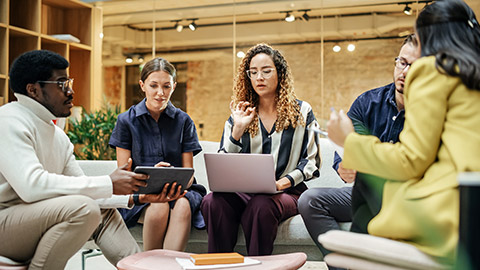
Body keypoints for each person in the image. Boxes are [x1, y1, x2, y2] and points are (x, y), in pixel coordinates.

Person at [327, 0, 480, 265]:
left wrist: (347, 141)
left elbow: (410, 161)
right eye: (401, 62)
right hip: (467, 194)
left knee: (367, 179)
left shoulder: (432, 71)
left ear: (426, 39)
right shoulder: (469, 74)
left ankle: (353, 259)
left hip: (456, 209)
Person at [0, 50, 157, 269]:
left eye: (69, 82)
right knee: (84, 208)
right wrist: (108, 183)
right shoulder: (9, 120)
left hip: (32, 220)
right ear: (33, 90)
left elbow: (85, 189)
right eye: (62, 84)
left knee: (99, 208)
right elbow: (31, 187)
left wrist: (136, 197)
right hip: (5, 223)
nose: (71, 91)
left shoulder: (57, 136)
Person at [298, 34, 420, 255]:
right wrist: (344, 168)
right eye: (402, 62)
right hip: (363, 192)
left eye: (415, 66)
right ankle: (343, 265)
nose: (405, 72)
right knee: (309, 200)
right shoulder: (367, 103)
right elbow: (344, 154)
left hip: (406, 198)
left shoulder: (429, 111)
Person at [200, 43, 321, 256]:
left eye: (266, 71)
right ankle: (219, 263)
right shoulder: (240, 114)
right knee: (212, 201)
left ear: (280, 73)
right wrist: (237, 129)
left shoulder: (302, 111)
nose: (259, 77)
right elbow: (223, 163)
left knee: (261, 205)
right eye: (253, 72)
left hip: (287, 192)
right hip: (244, 193)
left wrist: (281, 183)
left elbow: (312, 161)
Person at [109, 57, 206, 251]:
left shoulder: (184, 121)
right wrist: (153, 177)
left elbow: (189, 174)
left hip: (180, 191)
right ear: (142, 85)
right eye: (153, 85)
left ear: (174, 87)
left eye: (166, 86)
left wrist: (172, 184)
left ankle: (168, 265)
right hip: (141, 193)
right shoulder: (125, 121)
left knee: (184, 205)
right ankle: (151, 264)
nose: (160, 93)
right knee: (159, 206)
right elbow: (124, 176)